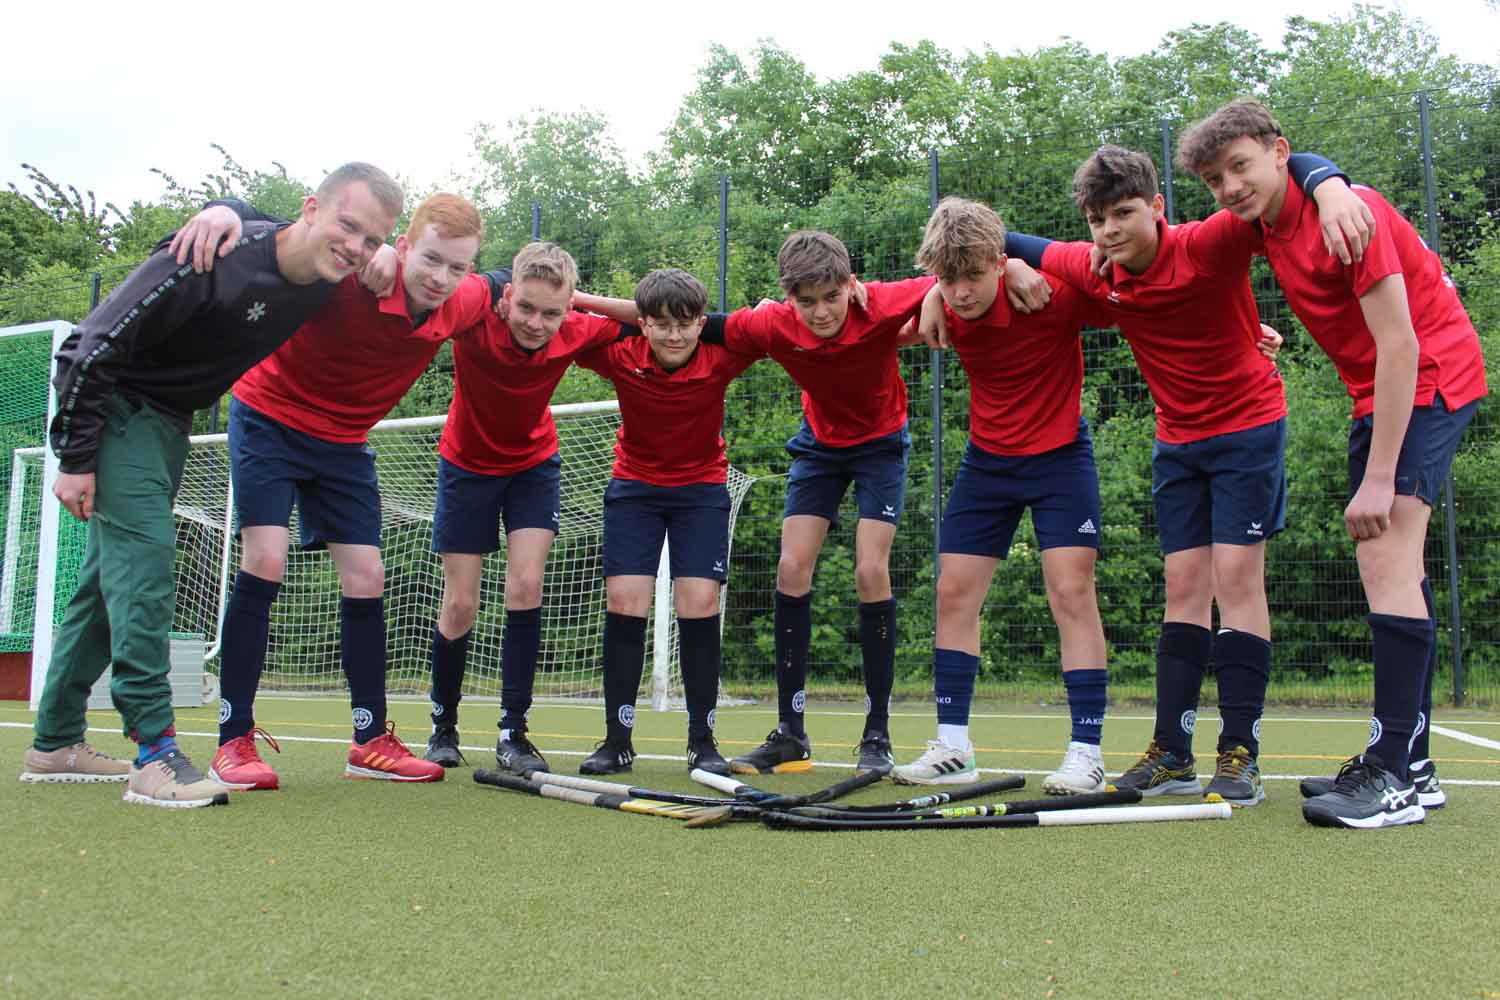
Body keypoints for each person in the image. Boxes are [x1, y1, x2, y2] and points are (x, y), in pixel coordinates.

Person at [19, 163, 401, 807]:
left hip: (169, 424)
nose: (357, 247)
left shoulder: (322, 274)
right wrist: (75, 457)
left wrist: (388, 249)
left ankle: (55, 741)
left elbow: (451, 272)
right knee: (144, 569)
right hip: (115, 409)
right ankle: (154, 751)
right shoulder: (212, 253)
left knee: (102, 589)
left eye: (371, 238)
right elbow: (88, 345)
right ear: (311, 209)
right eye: (348, 225)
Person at [1000, 146, 1369, 805]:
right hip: (1177, 441)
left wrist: (1334, 187)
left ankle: (1241, 755)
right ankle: (1172, 751)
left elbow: (1284, 183)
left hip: (1249, 430)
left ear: (1158, 208)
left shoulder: (1210, 243)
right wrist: (1012, 262)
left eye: (1124, 213)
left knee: (1236, 579)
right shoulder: (1090, 266)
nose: (1110, 229)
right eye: (1097, 219)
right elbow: (983, 230)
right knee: (1183, 585)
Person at [1178, 97, 1488, 828]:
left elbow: (1403, 347)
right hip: (1376, 394)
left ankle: (1389, 780)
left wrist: (1380, 478)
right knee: (1396, 564)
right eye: (1216, 177)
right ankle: (1414, 763)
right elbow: (1186, 250)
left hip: (1427, 379)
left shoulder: (1351, 217)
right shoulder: (1272, 220)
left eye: (1241, 166)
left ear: (1278, 151)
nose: (1229, 186)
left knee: (1383, 553)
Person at [167, 192, 508, 788]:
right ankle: (233, 740)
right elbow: (302, 230)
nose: (441, 278)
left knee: (367, 575)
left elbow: (513, 283)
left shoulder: (466, 298)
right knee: (266, 559)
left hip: (344, 441)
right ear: (402, 248)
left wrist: (634, 311)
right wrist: (226, 208)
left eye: (458, 268)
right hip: (270, 415)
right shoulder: (352, 270)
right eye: (430, 260)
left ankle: (370, 739)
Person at [890, 197, 1115, 790]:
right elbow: (857, 315)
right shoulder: (941, 304)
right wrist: (932, 294)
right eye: (948, 279)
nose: (960, 292)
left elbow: (1139, 298)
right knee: (952, 593)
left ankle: (1086, 752)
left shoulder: (1050, 294)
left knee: (1071, 591)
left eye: (971, 275)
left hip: (1061, 458)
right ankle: (953, 748)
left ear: (998, 260)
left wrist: (1248, 334)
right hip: (988, 463)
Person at [719, 232, 935, 775]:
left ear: (851, 285)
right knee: (791, 567)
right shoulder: (772, 324)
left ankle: (877, 735)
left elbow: (955, 274)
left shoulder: (881, 301)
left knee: (869, 569)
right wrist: (577, 303)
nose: (820, 311)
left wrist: (935, 296)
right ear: (788, 297)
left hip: (881, 446)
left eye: (831, 297)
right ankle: (791, 732)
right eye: (806, 300)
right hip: (819, 448)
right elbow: (685, 319)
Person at [426, 242, 631, 776]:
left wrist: (577, 298)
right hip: (466, 465)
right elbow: (438, 292)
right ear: (507, 297)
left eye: (552, 312)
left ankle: (513, 732)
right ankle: (442, 725)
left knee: (525, 587)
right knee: (462, 603)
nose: (537, 323)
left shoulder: (575, 327)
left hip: (533, 467)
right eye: (527, 308)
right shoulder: (475, 318)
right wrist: (491, 284)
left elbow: (645, 315)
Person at [570, 269, 759, 776]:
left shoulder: (721, 356)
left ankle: (702, 741)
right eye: (660, 324)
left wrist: (704, 321)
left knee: (699, 602)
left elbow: (765, 327)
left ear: (701, 323)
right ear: (643, 324)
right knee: (625, 601)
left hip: (701, 491)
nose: (674, 336)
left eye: (686, 323)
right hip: (634, 489)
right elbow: (566, 319)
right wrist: (585, 297)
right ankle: (617, 740)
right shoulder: (619, 354)